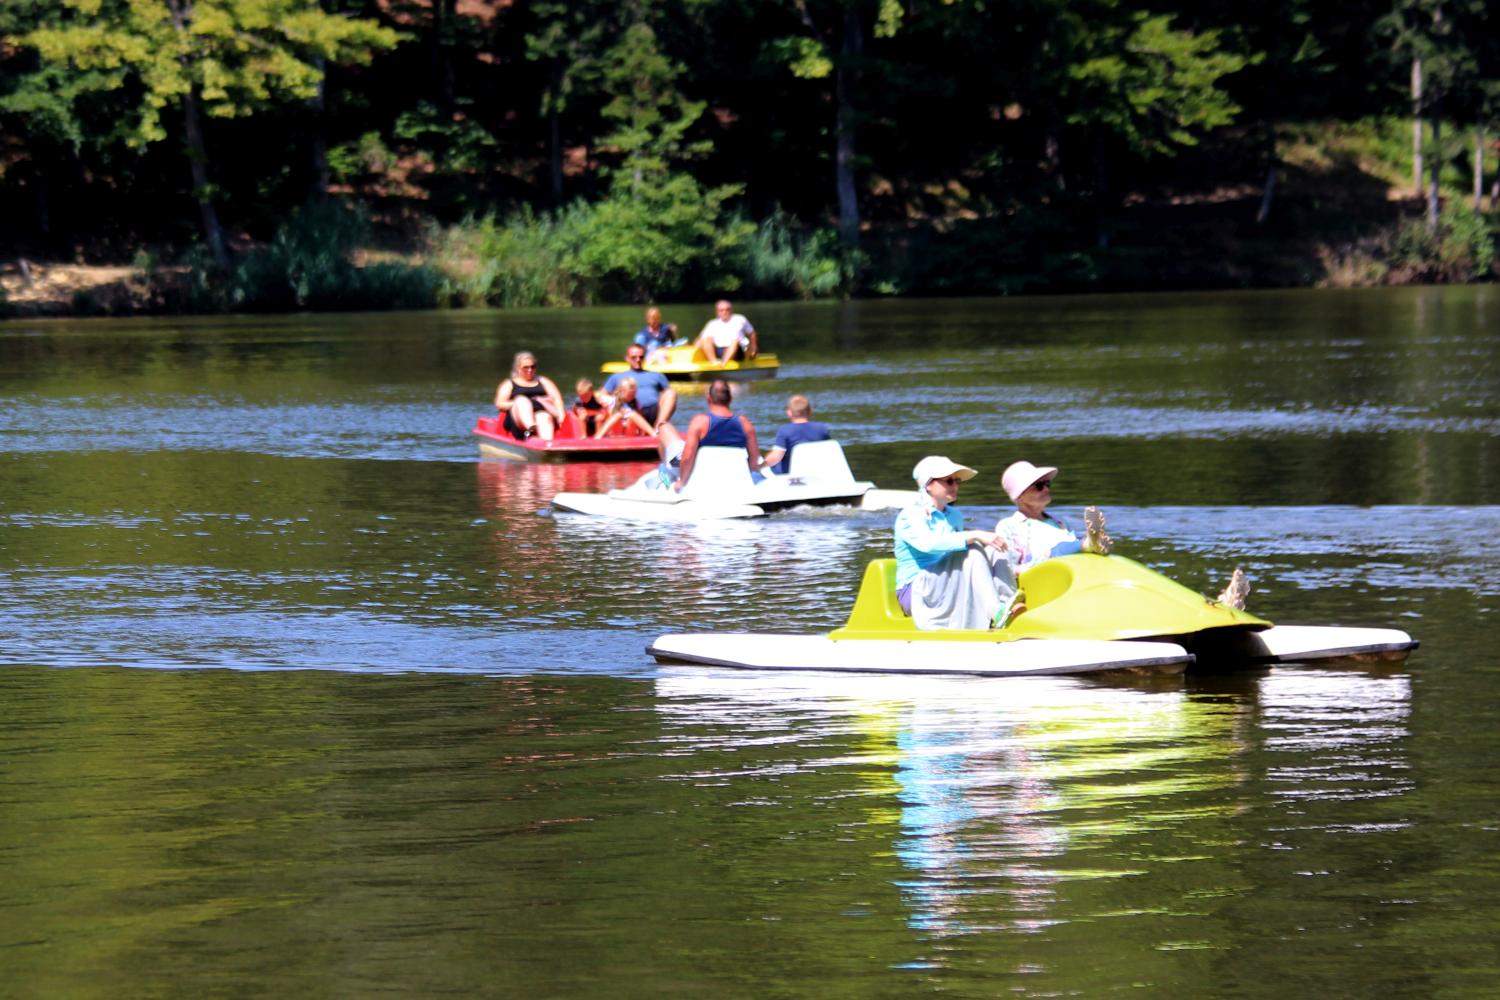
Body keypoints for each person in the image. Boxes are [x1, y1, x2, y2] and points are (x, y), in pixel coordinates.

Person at [894, 456, 1020, 631]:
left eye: (957, 481)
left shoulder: (954, 515)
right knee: (973, 548)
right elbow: (929, 545)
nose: (955, 486)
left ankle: (1007, 605)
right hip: (916, 591)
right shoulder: (910, 515)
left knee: (994, 548)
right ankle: (996, 613)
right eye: (949, 481)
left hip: (949, 583)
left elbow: (958, 554)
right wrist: (974, 535)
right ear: (929, 484)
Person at [995, 460, 1111, 571]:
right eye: (1039, 486)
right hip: (1041, 569)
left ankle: (1093, 544)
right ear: (1020, 497)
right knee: (1057, 550)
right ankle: (1090, 543)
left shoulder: (1059, 521)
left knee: (1075, 544)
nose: (1045, 489)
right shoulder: (1008, 525)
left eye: (1047, 484)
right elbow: (1008, 568)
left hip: (1072, 563)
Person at [660, 379, 760, 492]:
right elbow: (754, 458)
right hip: (734, 475)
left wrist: (682, 481)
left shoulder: (700, 422)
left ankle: (665, 474)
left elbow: (688, 458)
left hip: (698, 472)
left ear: (709, 398)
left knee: (664, 427)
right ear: (730, 399)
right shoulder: (745, 424)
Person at [494, 351, 565, 441]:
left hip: (540, 412)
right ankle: (531, 428)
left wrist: (562, 418)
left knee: (544, 417)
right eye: (525, 367)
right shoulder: (509, 384)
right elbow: (500, 404)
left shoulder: (543, 381)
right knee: (522, 401)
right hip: (519, 418)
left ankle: (546, 446)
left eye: (532, 367)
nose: (530, 370)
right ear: (518, 368)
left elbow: (557, 399)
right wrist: (526, 402)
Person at [603, 346, 677, 431]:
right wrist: (612, 401)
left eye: (641, 357)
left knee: (671, 393)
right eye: (634, 357)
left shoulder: (657, 375)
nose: (638, 360)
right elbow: (601, 394)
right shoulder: (616, 376)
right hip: (629, 412)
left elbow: (669, 398)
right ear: (627, 358)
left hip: (653, 412)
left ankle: (658, 427)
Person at [759, 394, 832, 475]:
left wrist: (760, 466)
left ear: (789, 413)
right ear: (810, 411)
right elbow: (829, 451)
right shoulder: (822, 428)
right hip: (815, 472)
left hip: (789, 474)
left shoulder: (784, 430)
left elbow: (777, 456)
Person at [693, 299, 758, 365]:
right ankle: (714, 362)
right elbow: (700, 340)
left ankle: (723, 365)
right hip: (719, 351)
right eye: (721, 310)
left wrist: (753, 348)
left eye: (727, 309)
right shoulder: (712, 323)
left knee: (735, 340)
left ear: (731, 310)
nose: (724, 312)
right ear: (717, 312)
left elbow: (752, 334)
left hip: (737, 351)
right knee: (705, 340)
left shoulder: (740, 319)